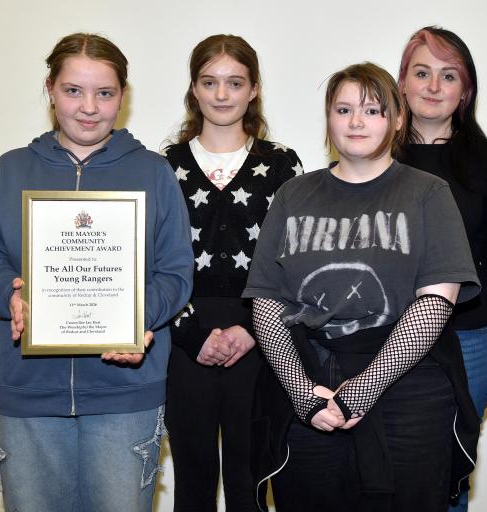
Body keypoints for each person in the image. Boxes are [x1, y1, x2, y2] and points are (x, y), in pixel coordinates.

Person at [0, 33, 193, 512]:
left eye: (104, 93)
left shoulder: (153, 173)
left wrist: (133, 319)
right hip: (30, 392)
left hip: (126, 394)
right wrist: (10, 294)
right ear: (50, 88)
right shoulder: (10, 170)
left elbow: (175, 272)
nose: (89, 107)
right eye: (73, 90)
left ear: (122, 97)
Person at [243, 62, 482, 512]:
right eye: (344, 109)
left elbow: (436, 301)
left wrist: (363, 389)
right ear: (328, 118)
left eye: (372, 110)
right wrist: (301, 392)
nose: (356, 122)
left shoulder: (428, 193)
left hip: (409, 391)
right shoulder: (293, 195)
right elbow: (267, 303)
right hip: (308, 386)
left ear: (397, 119)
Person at [163, 34, 302, 512]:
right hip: (183, 342)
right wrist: (190, 335)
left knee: (251, 482)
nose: (222, 95)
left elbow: (296, 265)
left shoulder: (282, 165)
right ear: (194, 89)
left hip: (262, 340)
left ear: (254, 89)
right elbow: (149, 266)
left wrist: (252, 331)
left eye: (235, 83)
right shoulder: (166, 167)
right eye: (210, 82)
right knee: (193, 483)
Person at [397, 26, 487, 511]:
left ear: (464, 90)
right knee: (386, 470)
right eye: (421, 73)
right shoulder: (376, 156)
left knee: (451, 474)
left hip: (466, 339)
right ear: (401, 81)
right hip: (385, 337)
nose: (432, 86)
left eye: (448, 76)